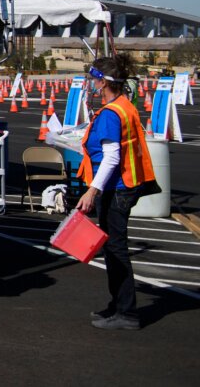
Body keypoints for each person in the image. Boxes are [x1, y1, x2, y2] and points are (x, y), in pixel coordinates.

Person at [75, 53, 160, 330]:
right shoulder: (124, 106)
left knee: (116, 249)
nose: (91, 84)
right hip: (124, 185)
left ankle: (127, 312)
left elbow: (112, 156)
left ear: (103, 83)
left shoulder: (112, 113)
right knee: (113, 248)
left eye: (94, 79)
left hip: (117, 187)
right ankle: (118, 306)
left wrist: (92, 191)